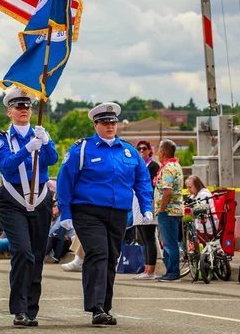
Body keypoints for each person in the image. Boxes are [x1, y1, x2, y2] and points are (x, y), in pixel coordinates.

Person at [57, 102, 153, 326]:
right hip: (88, 212)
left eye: (113, 122)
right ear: (95, 124)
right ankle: (97, 307)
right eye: (104, 122)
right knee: (98, 253)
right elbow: (65, 180)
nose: (110, 126)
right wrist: (65, 211)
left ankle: (104, 307)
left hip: (118, 213)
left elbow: (142, 180)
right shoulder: (82, 149)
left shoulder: (128, 151)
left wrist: (146, 206)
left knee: (111, 258)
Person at [0, 86, 57, 327]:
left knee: (37, 255)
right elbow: (7, 166)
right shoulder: (1, 139)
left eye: (27, 106)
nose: (24, 110)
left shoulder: (40, 132)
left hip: (39, 198)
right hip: (13, 199)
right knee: (22, 252)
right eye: (18, 107)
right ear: (9, 112)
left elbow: (52, 160)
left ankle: (31, 309)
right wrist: (27, 149)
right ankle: (18, 309)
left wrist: (46, 143)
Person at [154, 139, 185, 282]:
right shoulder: (176, 166)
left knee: (169, 243)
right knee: (171, 241)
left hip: (168, 211)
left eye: (158, 150)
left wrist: (161, 209)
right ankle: (170, 271)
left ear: (162, 152)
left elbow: (167, 191)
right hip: (176, 210)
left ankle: (173, 272)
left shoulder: (167, 169)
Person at [132, 139, 160, 280]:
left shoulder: (153, 166)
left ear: (150, 150)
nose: (141, 151)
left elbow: (155, 187)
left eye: (144, 148)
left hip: (148, 201)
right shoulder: (137, 165)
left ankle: (151, 270)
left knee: (149, 237)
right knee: (141, 237)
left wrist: (153, 204)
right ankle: (146, 268)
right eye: (139, 149)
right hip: (136, 202)